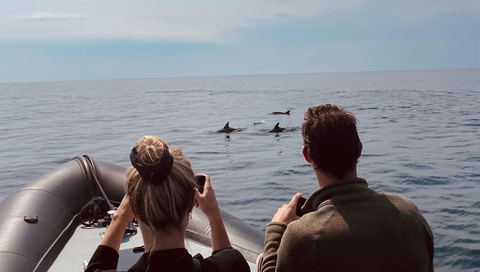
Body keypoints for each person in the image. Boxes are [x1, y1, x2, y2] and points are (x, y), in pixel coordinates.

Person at [259, 104, 434, 272]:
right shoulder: (410, 213)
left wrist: (277, 228)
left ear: (307, 155)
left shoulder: (302, 236)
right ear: (359, 149)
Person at [86, 135, 249, 272]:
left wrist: (120, 216)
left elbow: (95, 268)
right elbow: (227, 259)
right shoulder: (234, 263)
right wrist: (214, 215)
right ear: (193, 202)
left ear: (134, 210)